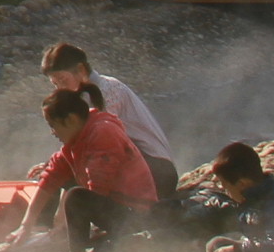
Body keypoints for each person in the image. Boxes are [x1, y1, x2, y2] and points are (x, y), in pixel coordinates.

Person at [18, 84, 158, 252]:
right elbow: (49, 179)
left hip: (137, 214)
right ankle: (47, 233)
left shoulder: (103, 132)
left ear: (71, 120)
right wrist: (25, 226)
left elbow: (98, 188)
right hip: (114, 208)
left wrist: (71, 230)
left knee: (77, 198)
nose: (53, 133)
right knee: (50, 177)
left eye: (53, 126)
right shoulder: (74, 144)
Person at [41, 41, 178, 199]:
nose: (60, 89)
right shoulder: (84, 97)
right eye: (55, 83)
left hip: (156, 170)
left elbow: (99, 147)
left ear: (80, 69)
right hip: (133, 165)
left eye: (63, 80)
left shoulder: (108, 90)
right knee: (54, 173)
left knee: (75, 173)